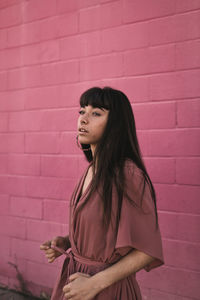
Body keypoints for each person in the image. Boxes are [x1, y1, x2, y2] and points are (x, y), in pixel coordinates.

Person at [40, 87, 164, 300]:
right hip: (76, 285)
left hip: (107, 290)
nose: (83, 119)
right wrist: (68, 241)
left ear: (115, 124)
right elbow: (103, 229)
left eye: (96, 113)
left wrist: (94, 284)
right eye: (82, 111)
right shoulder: (92, 169)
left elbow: (147, 250)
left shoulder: (128, 174)